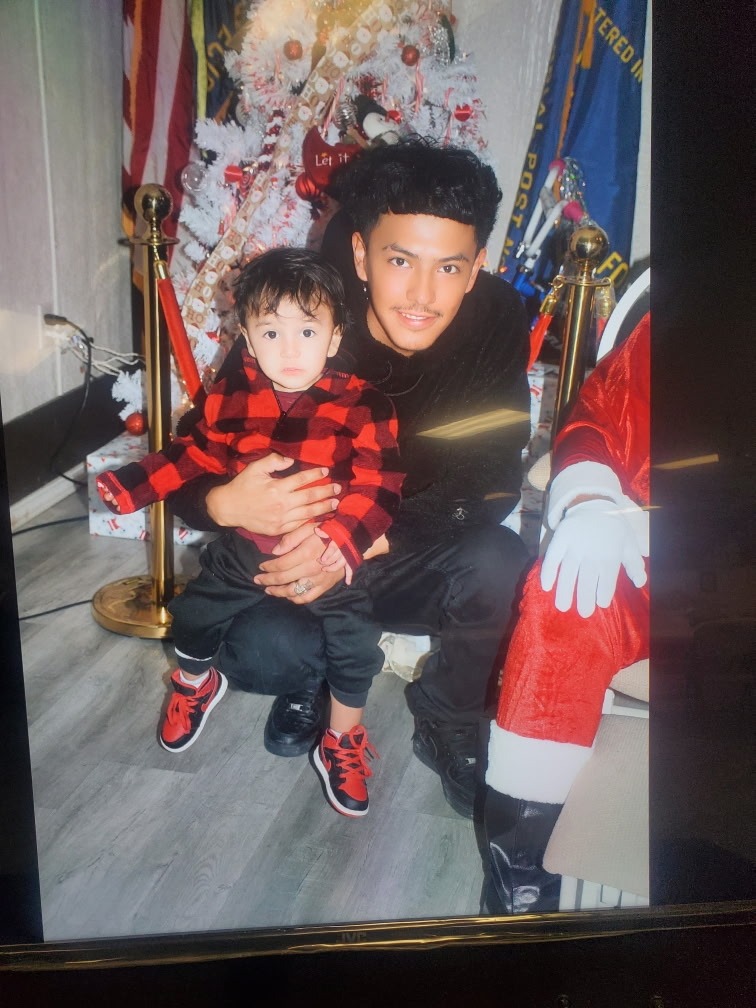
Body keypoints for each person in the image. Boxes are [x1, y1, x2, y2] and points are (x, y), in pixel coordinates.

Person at [169, 137, 532, 819]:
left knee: (501, 564)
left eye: (449, 267)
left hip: (402, 548)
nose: (421, 295)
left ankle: (449, 714)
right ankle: (315, 683)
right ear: (361, 255)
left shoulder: (495, 320)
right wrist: (223, 502)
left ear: (477, 267)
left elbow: (491, 481)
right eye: (400, 261)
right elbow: (187, 463)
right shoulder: (299, 315)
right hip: (293, 563)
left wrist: (353, 541)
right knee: (259, 651)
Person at [97, 248, 404, 818]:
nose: (289, 350)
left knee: (356, 643)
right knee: (193, 613)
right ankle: (195, 684)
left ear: (334, 337)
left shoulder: (364, 405)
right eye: (270, 332)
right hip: (244, 548)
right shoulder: (229, 397)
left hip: (324, 552)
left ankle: (341, 738)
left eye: (307, 331)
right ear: (247, 338)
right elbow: (193, 454)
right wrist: (136, 484)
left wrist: (340, 540)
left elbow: (380, 485)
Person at [484, 313, 650, 913]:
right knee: (566, 594)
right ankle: (520, 878)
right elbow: (600, 414)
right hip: (657, 550)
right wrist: (591, 498)